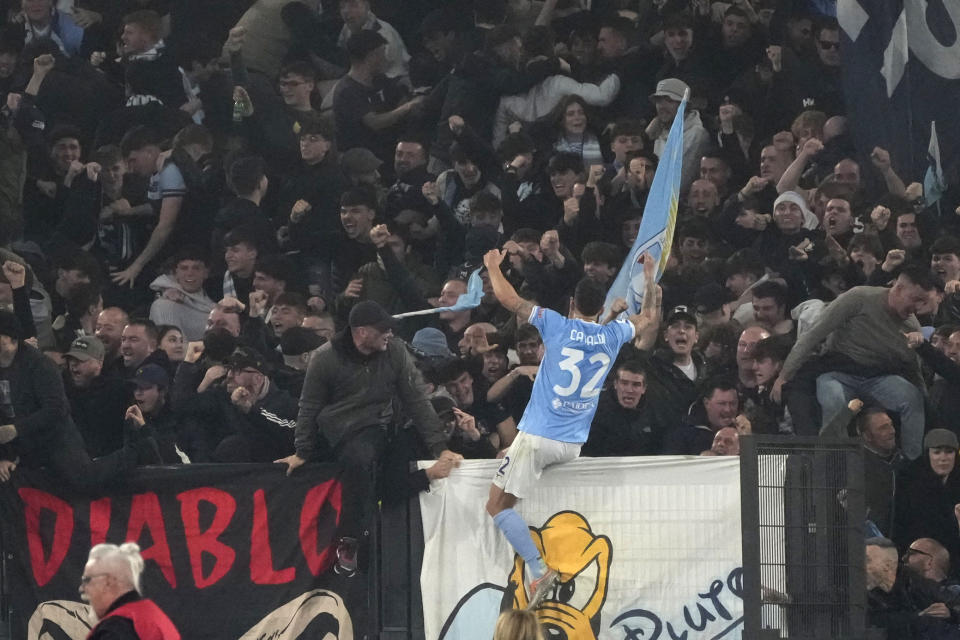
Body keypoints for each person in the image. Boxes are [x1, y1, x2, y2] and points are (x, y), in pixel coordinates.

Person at [481, 247, 653, 606]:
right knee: (511, 483)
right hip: (572, 444)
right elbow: (648, 318)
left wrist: (493, 266)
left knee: (497, 507)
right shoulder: (612, 334)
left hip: (539, 437)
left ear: (572, 302)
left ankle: (538, 568)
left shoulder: (555, 323)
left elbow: (509, 298)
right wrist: (649, 278)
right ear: (602, 304)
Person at [275, 300, 460, 577]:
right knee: (361, 457)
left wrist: (440, 448)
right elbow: (308, 407)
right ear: (361, 332)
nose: (390, 334)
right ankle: (351, 538)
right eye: (383, 329)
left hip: (383, 425)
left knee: (394, 457)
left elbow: (417, 400)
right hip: (342, 430)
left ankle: (388, 551)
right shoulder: (325, 358)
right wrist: (302, 451)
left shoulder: (394, 351)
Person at [81, 542, 180, 639]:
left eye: (87, 580)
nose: (82, 588)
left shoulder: (118, 627)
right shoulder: (150, 618)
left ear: (108, 582)